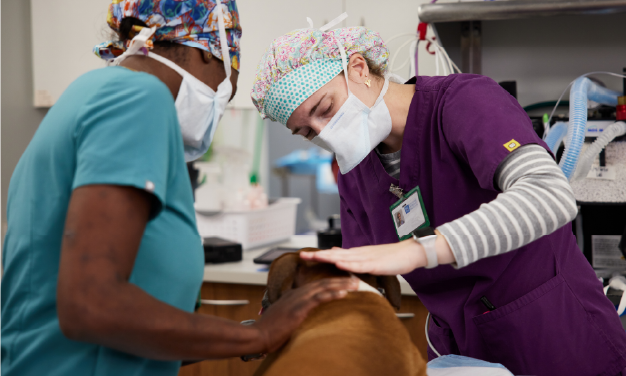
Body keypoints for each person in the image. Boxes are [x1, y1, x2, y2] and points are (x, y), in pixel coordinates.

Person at [251, 20, 626, 375]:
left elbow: (549, 196)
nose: (324, 133)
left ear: (358, 68)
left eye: (325, 109)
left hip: (554, 332)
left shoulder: (462, 102)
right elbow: (362, 279)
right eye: (307, 131)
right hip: (459, 350)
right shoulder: (355, 172)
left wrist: (421, 250)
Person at [0, 2, 357, 375]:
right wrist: (261, 336)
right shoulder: (138, 99)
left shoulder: (89, 93)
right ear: (207, 50)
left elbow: (129, 332)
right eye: (228, 80)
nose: (225, 93)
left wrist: (244, 334)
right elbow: (92, 306)